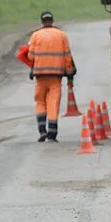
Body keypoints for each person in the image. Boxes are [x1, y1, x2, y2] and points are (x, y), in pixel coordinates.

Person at [25, 11, 76, 142]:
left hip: (40, 76)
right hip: (56, 77)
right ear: (52, 21)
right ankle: (52, 134)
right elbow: (67, 57)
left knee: (40, 102)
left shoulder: (35, 35)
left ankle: (42, 131)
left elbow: (30, 56)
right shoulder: (62, 35)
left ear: (42, 22)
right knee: (53, 103)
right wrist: (70, 74)